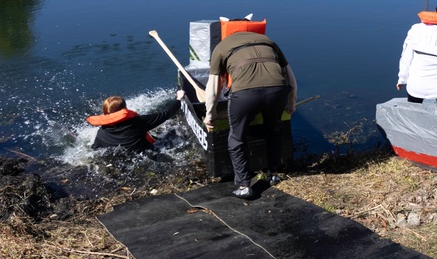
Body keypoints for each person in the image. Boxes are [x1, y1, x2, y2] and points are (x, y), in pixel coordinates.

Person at [205, 24, 298, 199]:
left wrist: (210, 114)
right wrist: (291, 103)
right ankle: (273, 175)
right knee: (274, 131)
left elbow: (213, 87)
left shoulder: (222, 46)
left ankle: (244, 186)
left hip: (244, 95)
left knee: (237, 138)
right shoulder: (268, 41)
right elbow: (290, 77)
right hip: (277, 91)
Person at [88, 92, 183, 152]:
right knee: (175, 132)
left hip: (122, 159)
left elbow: (95, 149)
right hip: (144, 156)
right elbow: (166, 114)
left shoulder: (101, 132)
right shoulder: (137, 122)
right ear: (124, 109)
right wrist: (179, 99)